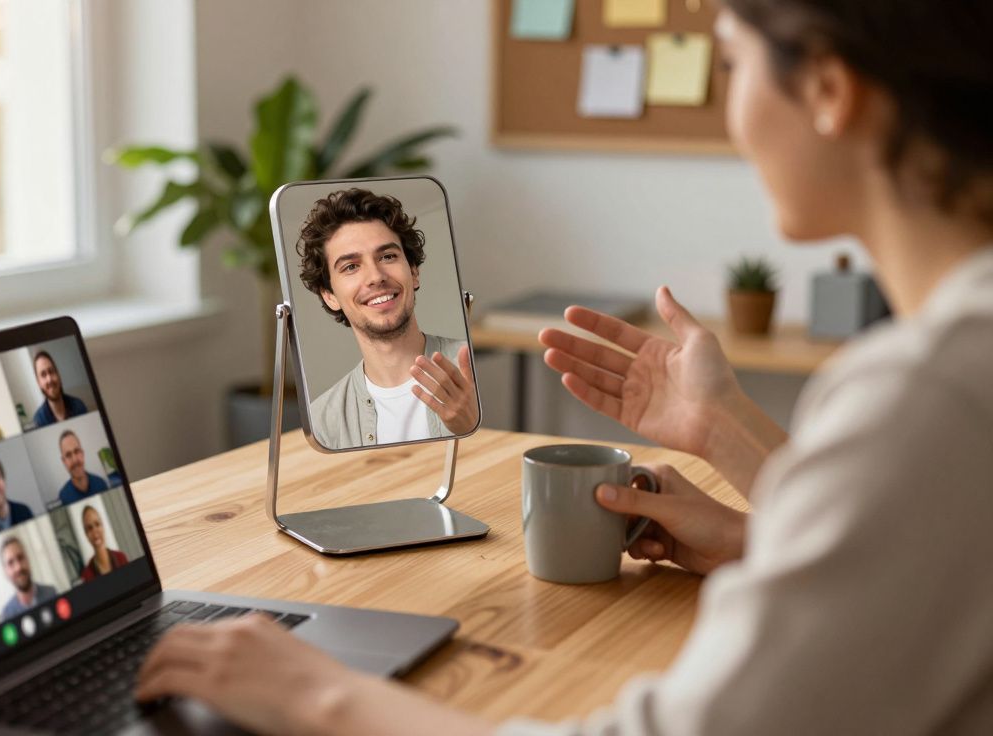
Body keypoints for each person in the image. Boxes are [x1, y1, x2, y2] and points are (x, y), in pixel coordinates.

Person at [135, 2, 993, 734]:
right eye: (349, 268)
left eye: (731, 63)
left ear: (829, 92)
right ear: (326, 294)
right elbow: (928, 548)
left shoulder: (928, 392)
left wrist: (320, 694)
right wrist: (729, 462)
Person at [296, 188, 479, 449]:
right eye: (351, 267)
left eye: (388, 256)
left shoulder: (474, 370)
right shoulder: (323, 421)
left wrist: (470, 429)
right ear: (329, 296)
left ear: (413, 272)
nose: (376, 276)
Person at [0, 536, 58, 618]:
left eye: (20, 558)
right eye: (10, 563)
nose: (18, 567)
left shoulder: (52, 593)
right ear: (6, 572)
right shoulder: (7, 614)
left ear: (28, 560)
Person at [31, 350, 89, 427]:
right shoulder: (38, 421)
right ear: (39, 383)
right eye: (43, 374)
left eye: (51, 371)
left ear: (58, 374)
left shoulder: (79, 406)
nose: (49, 379)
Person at [56, 430, 109, 505]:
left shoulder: (101, 484)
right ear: (64, 461)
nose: (74, 460)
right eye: (68, 455)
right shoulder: (64, 496)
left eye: (77, 451)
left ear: (82, 453)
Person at [78, 505, 129, 581]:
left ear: (103, 527)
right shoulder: (86, 576)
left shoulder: (121, 558)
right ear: (86, 535)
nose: (95, 531)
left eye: (97, 524)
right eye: (89, 528)